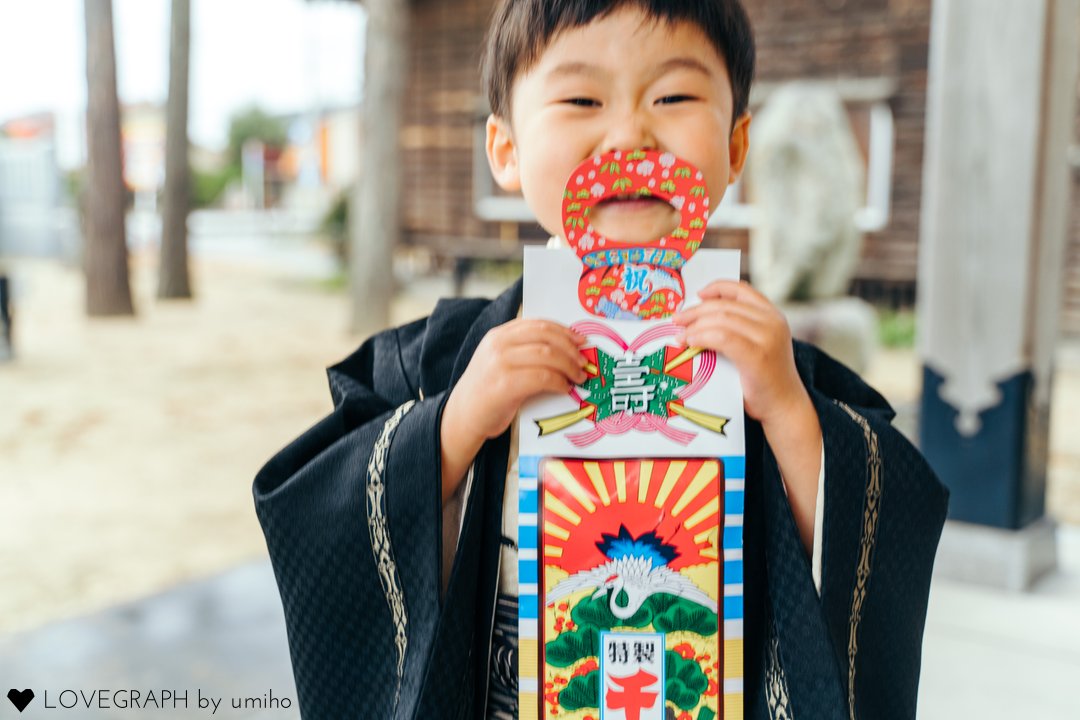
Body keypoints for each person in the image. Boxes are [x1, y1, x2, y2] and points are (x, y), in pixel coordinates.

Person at [253, 2, 948, 718]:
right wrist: (453, 427)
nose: (629, 135)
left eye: (674, 97)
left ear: (736, 145)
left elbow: (875, 528)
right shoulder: (450, 360)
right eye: (582, 99)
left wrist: (788, 412)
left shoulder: (764, 360)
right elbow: (323, 517)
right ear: (506, 150)